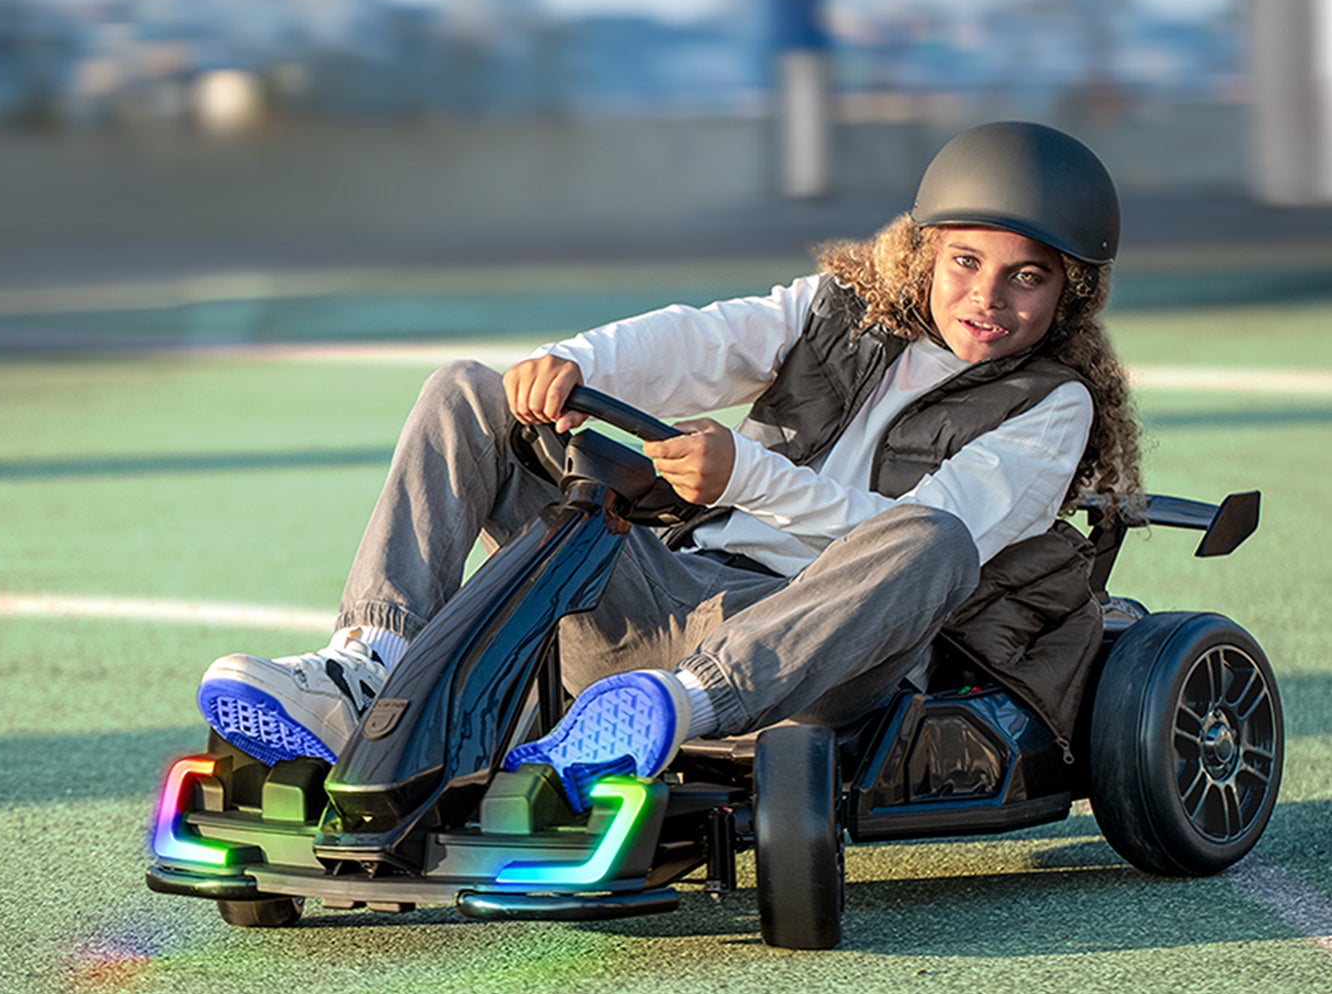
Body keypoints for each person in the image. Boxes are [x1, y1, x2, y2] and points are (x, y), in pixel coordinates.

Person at [197, 121, 1141, 809]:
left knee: (933, 539)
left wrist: (745, 480)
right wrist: (578, 364)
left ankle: (663, 718)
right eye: (966, 262)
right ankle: (368, 672)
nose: (986, 297)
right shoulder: (833, 310)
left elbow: (925, 542)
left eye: (1027, 276)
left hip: (826, 641)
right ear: (925, 252)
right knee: (466, 390)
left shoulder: (1053, 406)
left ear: (1071, 290)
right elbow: (701, 341)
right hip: (666, 591)